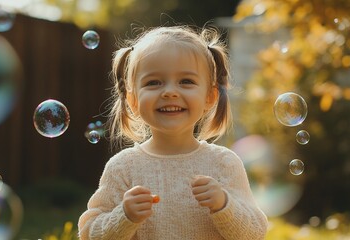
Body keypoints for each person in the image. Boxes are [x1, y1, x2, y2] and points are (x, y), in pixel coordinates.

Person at [78, 25, 268, 240]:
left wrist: (224, 204)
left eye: (186, 81)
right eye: (153, 82)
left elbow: (255, 232)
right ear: (133, 100)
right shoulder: (123, 168)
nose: (169, 92)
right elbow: (90, 234)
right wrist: (124, 216)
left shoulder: (223, 164)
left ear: (210, 96)